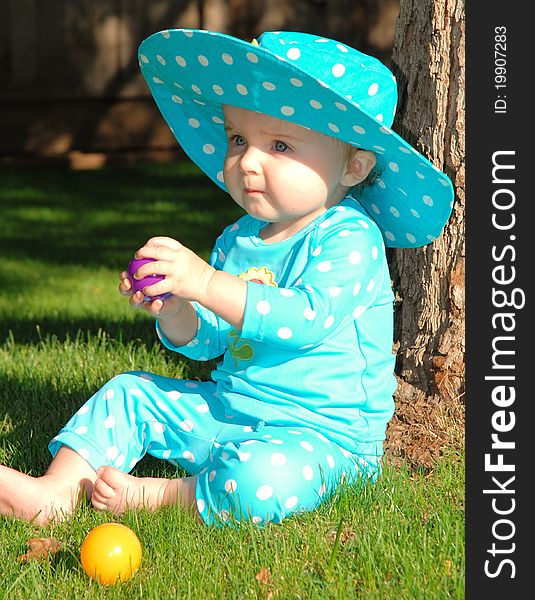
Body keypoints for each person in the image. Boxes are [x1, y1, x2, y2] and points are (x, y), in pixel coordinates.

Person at [0, 30, 453, 526]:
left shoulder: (349, 237)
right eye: (239, 139)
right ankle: (57, 493)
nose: (248, 161)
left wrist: (205, 282)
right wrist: (177, 308)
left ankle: (163, 496)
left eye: (280, 144)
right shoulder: (239, 238)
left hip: (320, 440)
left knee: (263, 479)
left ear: (354, 166)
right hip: (229, 411)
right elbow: (211, 341)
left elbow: (306, 319)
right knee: (130, 392)